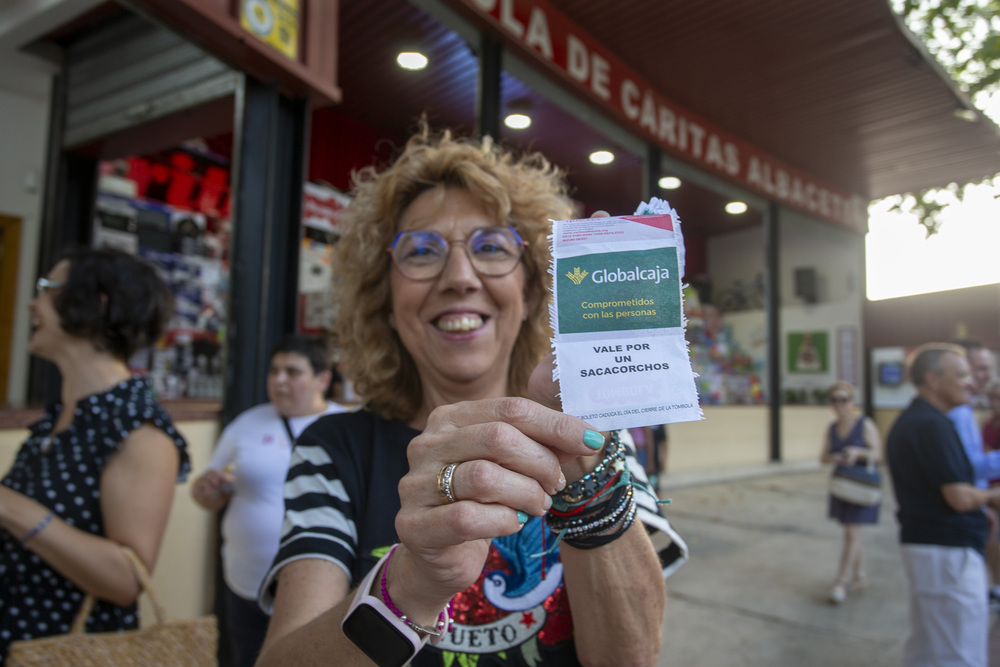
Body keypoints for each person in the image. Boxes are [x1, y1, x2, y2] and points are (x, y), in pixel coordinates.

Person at [255, 126, 686, 666]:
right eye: (420, 251)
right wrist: (409, 583)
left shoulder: (601, 434)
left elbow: (632, 658)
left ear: (531, 292)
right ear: (384, 301)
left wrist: (580, 455)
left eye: (491, 246)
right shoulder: (333, 450)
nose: (460, 276)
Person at [0, 247, 190, 660]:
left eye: (48, 289)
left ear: (96, 305)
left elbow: (126, 579)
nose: (33, 303)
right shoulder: (59, 418)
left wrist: (12, 509)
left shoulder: (138, 430)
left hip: (66, 650)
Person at [190, 334, 347, 667]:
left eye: (292, 372)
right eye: (274, 371)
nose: (279, 381)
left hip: (321, 591)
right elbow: (209, 496)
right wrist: (207, 491)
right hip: (245, 583)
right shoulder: (246, 424)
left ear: (322, 378)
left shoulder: (347, 427)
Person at [886, 343, 1000, 667]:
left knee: (927, 649)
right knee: (960, 655)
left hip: (932, 550)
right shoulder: (932, 425)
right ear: (933, 380)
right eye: (961, 375)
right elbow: (960, 497)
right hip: (947, 554)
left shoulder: (920, 421)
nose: (970, 382)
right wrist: (990, 497)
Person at [818, 381, 882, 604]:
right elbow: (823, 457)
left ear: (852, 402)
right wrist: (836, 457)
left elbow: (878, 454)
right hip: (843, 486)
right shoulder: (832, 428)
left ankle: (840, 582)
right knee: (853, 533)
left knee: (851, 533)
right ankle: (859, 575)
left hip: (861, 485)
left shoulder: (864, 424)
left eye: (843, 399)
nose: (839, 404)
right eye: (834, 400)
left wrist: (858, 452)